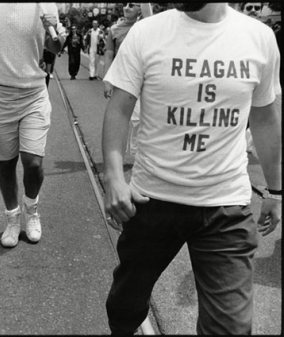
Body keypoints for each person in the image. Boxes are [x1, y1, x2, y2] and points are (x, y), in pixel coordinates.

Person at [102, 3, 281, 335]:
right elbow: (119, 109)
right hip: (150, 201)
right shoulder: (147, 33)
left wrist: (275, 190)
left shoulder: (259, 38)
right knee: (124, 306)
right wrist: (114, 177)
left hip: (225, 208)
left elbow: (265, 117)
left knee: (230, 327)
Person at [0, 3, 64, 248]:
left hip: (33, 94)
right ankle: (12, 218)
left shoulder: (44, 5)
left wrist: (53, 30)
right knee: (6, 163)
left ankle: (31, 210)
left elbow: (56, 48)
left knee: (33, 162)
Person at [103, 3, 152, 160]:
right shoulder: (114, 30)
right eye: (125, 4)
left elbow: (149, 12)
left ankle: (137, 152)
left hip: (143, 79)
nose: (126, 7)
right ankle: (116, 155)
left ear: (140, 9)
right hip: (122, 79)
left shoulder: (145, 26)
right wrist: (107, 80)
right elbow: (109, 55)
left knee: (139, 118)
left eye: (132, 5)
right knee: (121, 118)